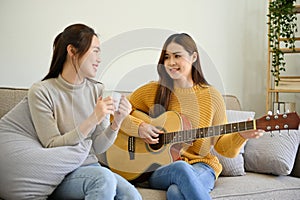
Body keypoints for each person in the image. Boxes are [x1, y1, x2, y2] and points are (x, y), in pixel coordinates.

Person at [3, 23, 142, 200]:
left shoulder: (97, 90)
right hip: (58, 173)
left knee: (132, 196)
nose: (99, 59)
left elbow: (98, 147)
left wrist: (118, 122)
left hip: (89, 166)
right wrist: (92, 119)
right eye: (95, 51)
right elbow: (51, 143)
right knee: (104, 179)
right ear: (72, 51)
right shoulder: (41, 92)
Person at [120, 33, 264, 200]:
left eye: (177, 56)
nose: (171, 62)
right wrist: (140, 127)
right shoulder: (153, 91)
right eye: (166, 57)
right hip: (159, 168)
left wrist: (241, 136)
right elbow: (116, 114)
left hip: (202, 166)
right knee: (180, 168)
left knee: (175, 193)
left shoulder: (212, 97)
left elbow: (223, 148)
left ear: (194, 57)